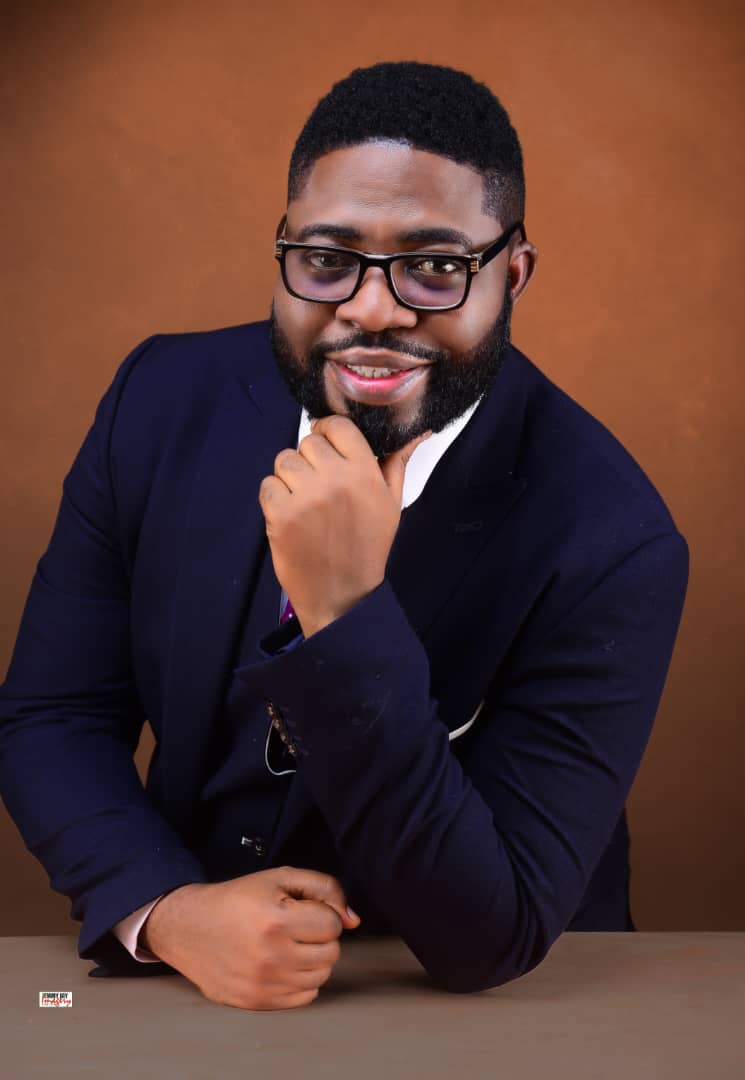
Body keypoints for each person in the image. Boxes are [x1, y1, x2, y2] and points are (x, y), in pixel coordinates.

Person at [0, 61, 688, 1011]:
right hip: (199, 984)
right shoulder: (156, 402)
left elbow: (492, 934)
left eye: (435, 267)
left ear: (512, 274)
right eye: (327, 260)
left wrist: (345, 613)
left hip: (495, 1015)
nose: (370, 309)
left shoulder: (613, 538)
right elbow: (54, 715)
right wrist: (166, 912)